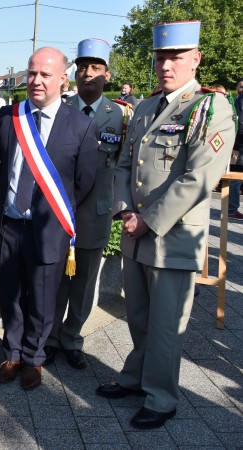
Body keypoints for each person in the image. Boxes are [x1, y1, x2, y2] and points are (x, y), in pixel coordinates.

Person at [97, 21, 236, 429]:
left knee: (165, 324)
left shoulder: (210, 108)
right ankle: (137, 377)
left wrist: (147, 220)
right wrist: (125, 210)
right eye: (161, 57)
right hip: (137, 234)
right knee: (138, 316)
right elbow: (125, 164)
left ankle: (161, 397)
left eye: (176, 57)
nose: (166, 65)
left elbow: (199, 179)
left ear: (195, 59)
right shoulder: (144, 107)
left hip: (172, 237)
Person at [0, 47, 97, 390]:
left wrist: (56, 214)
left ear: (63, 79)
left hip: (49, 228)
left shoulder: (80, 125)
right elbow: (0, 168)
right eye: (31, 73)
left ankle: (34, 358)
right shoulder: (9, 116)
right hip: (8, 224)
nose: (36, 81)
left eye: (45, 74)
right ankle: (12, 352)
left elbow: (85, 181)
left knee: (42, 297)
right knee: (10, 294)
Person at [46, 38, 133, 369]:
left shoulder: (120, 116)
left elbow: (124, 166)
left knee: (83, 283)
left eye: (95, 68)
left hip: (95, 214)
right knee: (55, 281)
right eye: (82, 67)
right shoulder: (60, 112)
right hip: (60, 212)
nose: (88, 74)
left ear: (107, 75)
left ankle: (72, 339)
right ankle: (51, 338)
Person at [228, 77, 243, 219]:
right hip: (239, 146)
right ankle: (232, 209)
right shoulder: (238, 101)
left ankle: (231, 208)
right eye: (241, 86)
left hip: (236, 145)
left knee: (235, 178)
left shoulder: (235, 101)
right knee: (235, 178)